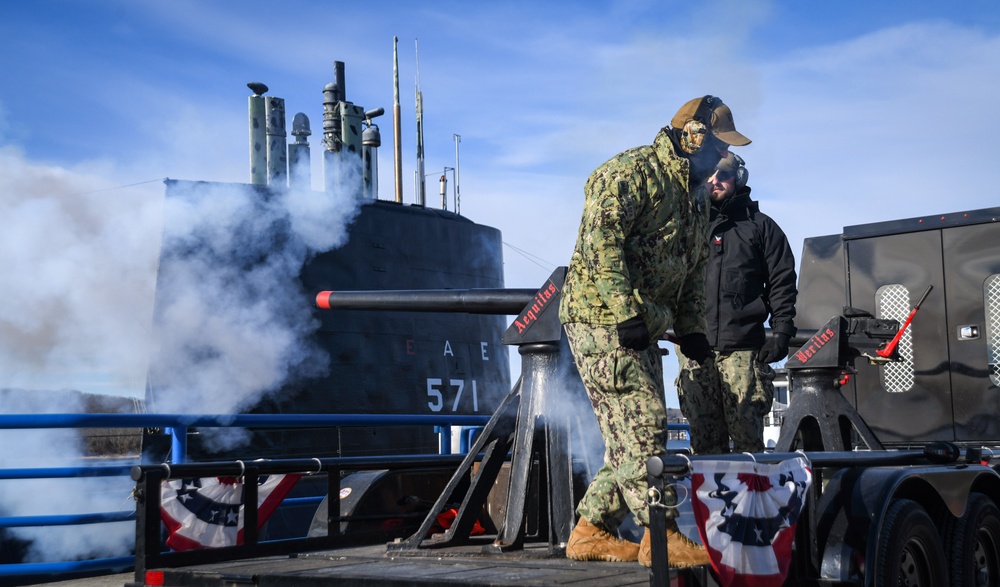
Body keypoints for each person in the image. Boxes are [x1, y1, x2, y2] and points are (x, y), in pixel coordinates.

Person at [559, 95, 750, 567]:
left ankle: (590, 530)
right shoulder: (629, 173)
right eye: (717, 146)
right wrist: (625, 311)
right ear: (693, 136)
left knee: (628, 439)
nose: (721, 158)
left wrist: (691, 331)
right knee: (645, 421)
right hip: (600, 320)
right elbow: (599, 241)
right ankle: (659, 537)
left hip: (640, 326)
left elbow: (692, 270)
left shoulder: (695, 199)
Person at [675, 152, 797, 455]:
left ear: (738, 179)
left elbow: (782, 282)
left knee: (747, 438)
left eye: (723, 175)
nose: (715, 181)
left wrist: (782, 332)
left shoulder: (762, 228)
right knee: (703, 439)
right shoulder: (687, 225)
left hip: (742, 350)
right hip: (693, 349)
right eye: (710, 175)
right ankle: (708, 502)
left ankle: (750, 501)